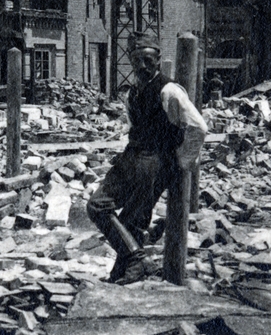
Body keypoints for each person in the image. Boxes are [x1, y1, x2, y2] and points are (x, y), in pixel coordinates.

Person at [83, 34, 208, 284]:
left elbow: (198, 127)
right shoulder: (133, 93)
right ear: (131, 60)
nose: (142, 66)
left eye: (148, 60)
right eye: (137, 60)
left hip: (155, 160)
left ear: (158, 60)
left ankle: (125, 268)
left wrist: (182, 162)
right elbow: (134, 126)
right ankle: (136, 258)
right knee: (97, 205)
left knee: (134, 218)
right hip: (133, 156)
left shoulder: (169, 91)